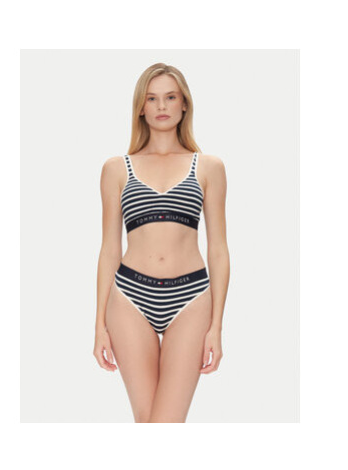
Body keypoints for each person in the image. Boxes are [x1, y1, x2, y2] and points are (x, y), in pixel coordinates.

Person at [93, 63, 230, 423]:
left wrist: (217, 326)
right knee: (146, 421)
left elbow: (218, 249)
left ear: (184, 104)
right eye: (152, 99)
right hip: (129, 298)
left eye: (170, 97)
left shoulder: (209, 167)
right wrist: (99, 325)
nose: (161, 106)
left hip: (191, 298)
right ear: (141, 107)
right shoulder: (116, 169)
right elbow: (109, 249)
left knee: (167, 422)